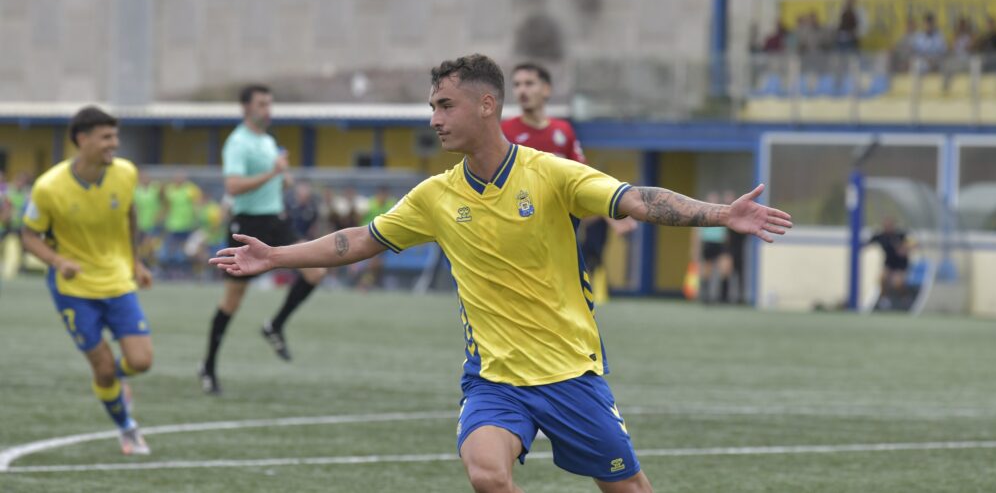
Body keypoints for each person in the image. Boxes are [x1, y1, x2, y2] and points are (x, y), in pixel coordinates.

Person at [212, 54, 793, 493]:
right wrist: (275, 256)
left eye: (445, 106)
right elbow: (360, 239)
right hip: (493, 378)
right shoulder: (435, 196)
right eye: (433, 106)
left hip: (570, 374)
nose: (434, 119)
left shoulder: (553, 173)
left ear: (486, 105)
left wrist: (721, 213)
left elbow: (635, 199)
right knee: (487, 475)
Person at [20, 106, 153, 455]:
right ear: (82, 139)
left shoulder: (125, 174)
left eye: (116, 136)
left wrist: (136, 262)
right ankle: (127, 427)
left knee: (141, 362)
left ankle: (117, 380)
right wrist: (57, 260)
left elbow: (129, 213)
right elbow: (29, 236)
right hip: (74, 290)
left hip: (118, 280)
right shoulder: (49, 187)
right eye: (106, 137)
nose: (115, 144)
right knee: (104, 369)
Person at [198, 84, 328, 395]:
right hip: (249, 225)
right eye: (261, 104)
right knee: (232, 301)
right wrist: (273, 173)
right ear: (245, 108)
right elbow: (232, 187)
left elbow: (271, 177)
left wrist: (282, 179)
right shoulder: (238, 143)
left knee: (316, 271)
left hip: (276, 219)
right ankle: (209, 367)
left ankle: (275, 325)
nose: (267, 110)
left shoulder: (268, 141)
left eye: (269, 103)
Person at [503, 62, 637, 301]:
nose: (522, 90)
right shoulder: (505, 132)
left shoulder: (563, 131)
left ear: (546, 89)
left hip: (558, 237)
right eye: (517, 85)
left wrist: (611, 214)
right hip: (517, 237)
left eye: (529, 83)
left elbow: (583, 181)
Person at [866, 217, 915, 311]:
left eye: (890, 225)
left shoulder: (901, 235)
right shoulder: (881, 236)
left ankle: (905, 297)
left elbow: (914, 244)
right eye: (886, 225)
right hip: (889, 264)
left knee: (897, 282)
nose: (888, 227)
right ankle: (885, 299)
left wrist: (904, 249)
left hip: (901, 265)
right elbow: (868, 242)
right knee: (882, 278)